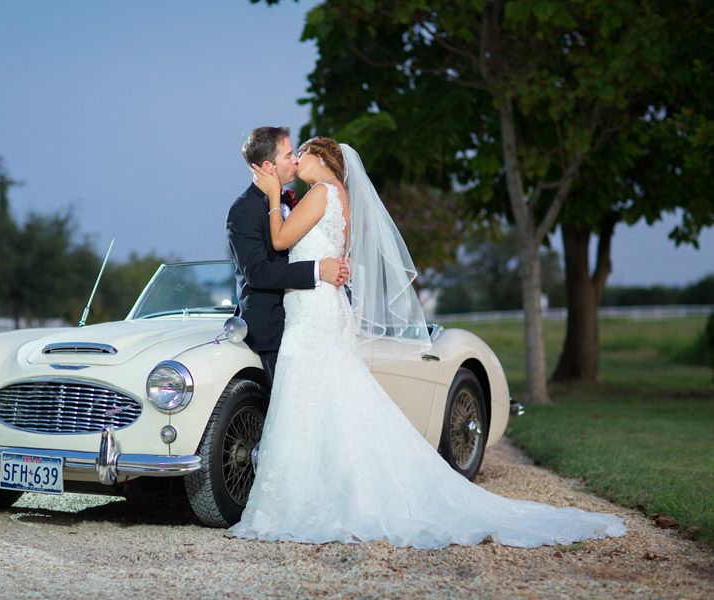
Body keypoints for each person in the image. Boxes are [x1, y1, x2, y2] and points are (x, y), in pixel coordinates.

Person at [229, 137, 627, 548]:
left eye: (303, 153)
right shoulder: (338, 196)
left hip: (315, 313)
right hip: (320, 310)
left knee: (312, 401)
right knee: (329, 401)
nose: (297, 160)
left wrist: (277, 197)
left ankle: (311, 501)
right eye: (290, 155)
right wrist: (319, 256)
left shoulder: (318, 194)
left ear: (322, 160)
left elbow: (279, 242)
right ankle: (328, 493)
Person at [226, 127, 348, 385]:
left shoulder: (293, 201)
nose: (296, 159)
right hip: (270, 328)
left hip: (307, 318)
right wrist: (318, 269)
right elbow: (258, 273)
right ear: (269, 166)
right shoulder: (243, 211)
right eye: (290, 155)